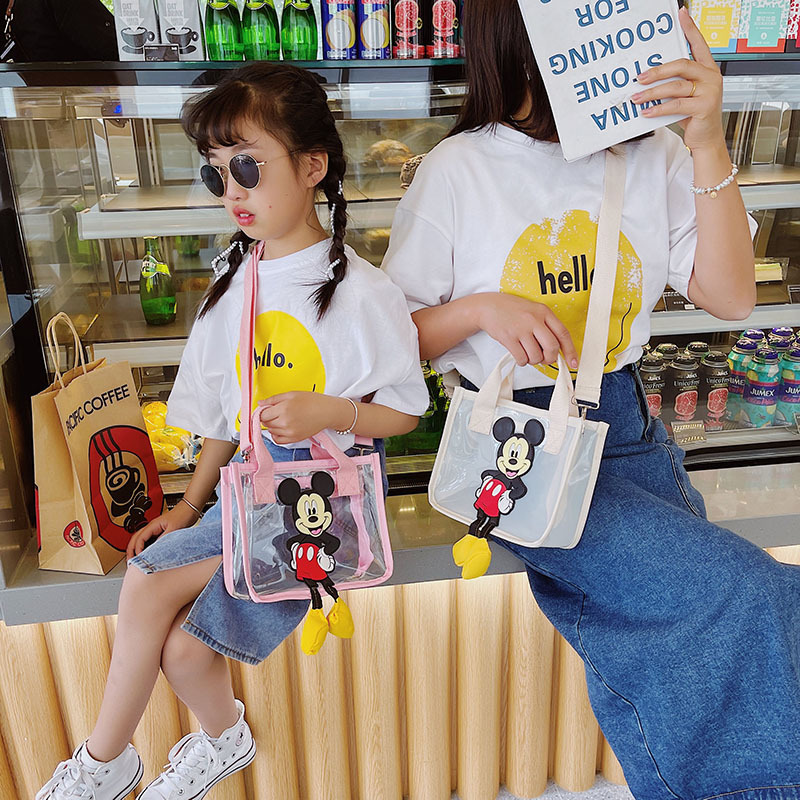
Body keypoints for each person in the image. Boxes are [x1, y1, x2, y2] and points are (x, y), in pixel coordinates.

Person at [383, 2, 800, 799]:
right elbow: (388, 344)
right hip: (515, 448)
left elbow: (732, 296)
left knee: (664, 647)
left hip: (629, 428)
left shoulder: (656, 153)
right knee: (744, 593)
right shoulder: (459, 168)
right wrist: (480, 311)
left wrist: (707, 137)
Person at [36, 63, 427, 800]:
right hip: (249, 494)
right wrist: (188, 506)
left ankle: (104, 764)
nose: (231, 190)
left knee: (148, 585)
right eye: (216, 173)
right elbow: (226, 416)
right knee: (185, 654)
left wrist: (329, 411)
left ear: (312, 166)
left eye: (247, 166)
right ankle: (225, 740)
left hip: (319, 513)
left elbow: (406, 413)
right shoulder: (234, 281)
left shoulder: (363, 292)